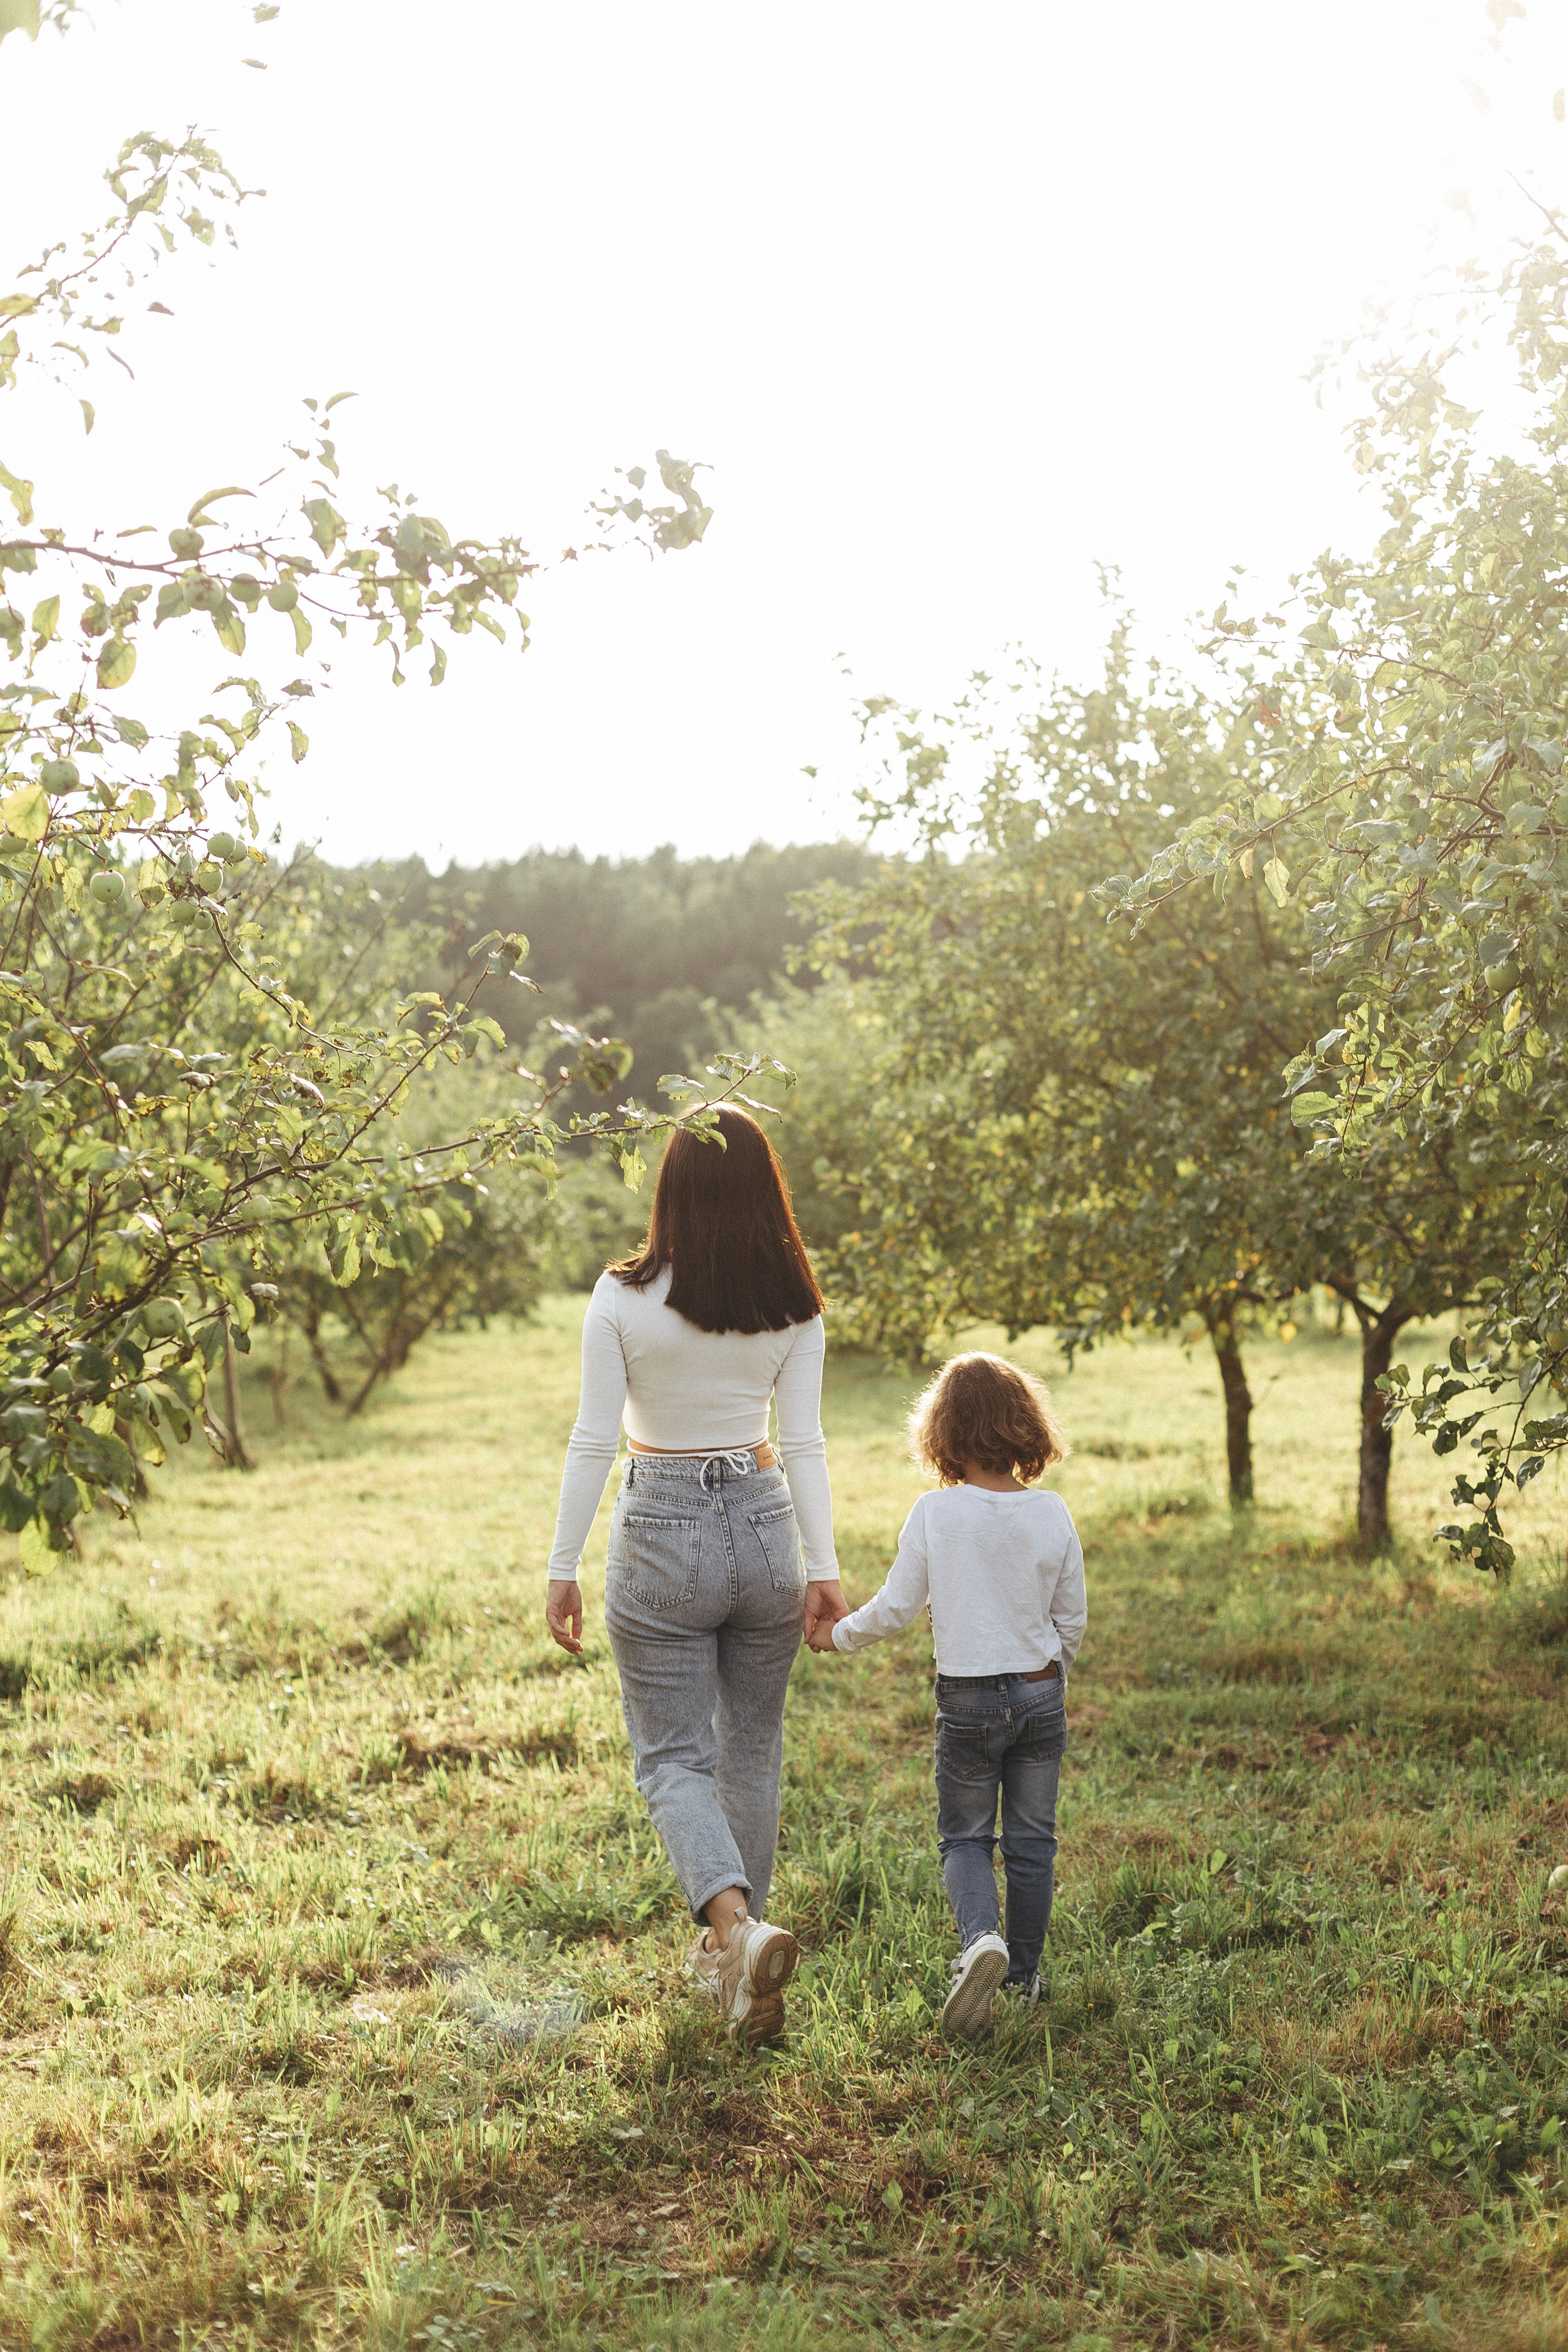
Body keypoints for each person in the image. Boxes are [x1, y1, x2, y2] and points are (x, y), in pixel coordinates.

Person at [545, 1107, 848, 2045]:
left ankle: (734, 1930)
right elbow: (803, 1442)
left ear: (670, 1185)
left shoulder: (621, 1296)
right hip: (765, 1528)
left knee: (674, 1755)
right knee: (750, 1750)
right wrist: (824, 1570)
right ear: (767, 1191)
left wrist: (563, 1566)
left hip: (663, 1526)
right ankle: (736, 1973)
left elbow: (596, 1437)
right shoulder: (793, 1304)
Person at [807, 1351, 1085, 2037]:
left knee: (964, 1837)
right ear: (1025, 1426)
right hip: (1040, 1693)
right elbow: (1070, 1618)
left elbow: (897, 1608)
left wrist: (836, 1637)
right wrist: (1049, 1681)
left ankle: (978, 1943)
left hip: (966, 1701)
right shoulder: (1052, 1513)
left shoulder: (935, 1514)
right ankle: (1022, 1978)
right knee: (1032, 1845)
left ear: (943, 1434)